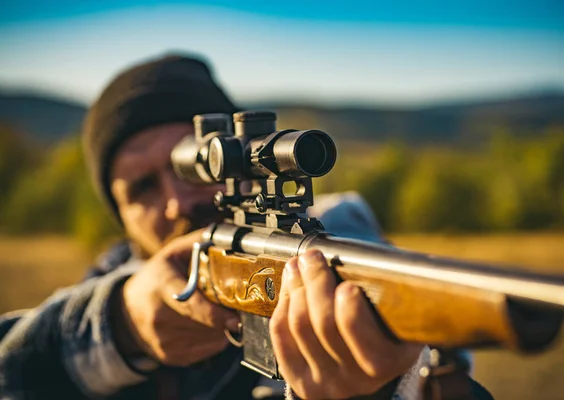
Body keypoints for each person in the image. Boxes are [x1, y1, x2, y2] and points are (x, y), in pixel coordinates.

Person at [0, 54, 492, 400]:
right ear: (120, 215)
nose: (177, 203)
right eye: (142, 189)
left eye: (185, 167)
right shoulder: (109, 289)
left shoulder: (344, 254)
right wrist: (123, 328)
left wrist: (385, 391)